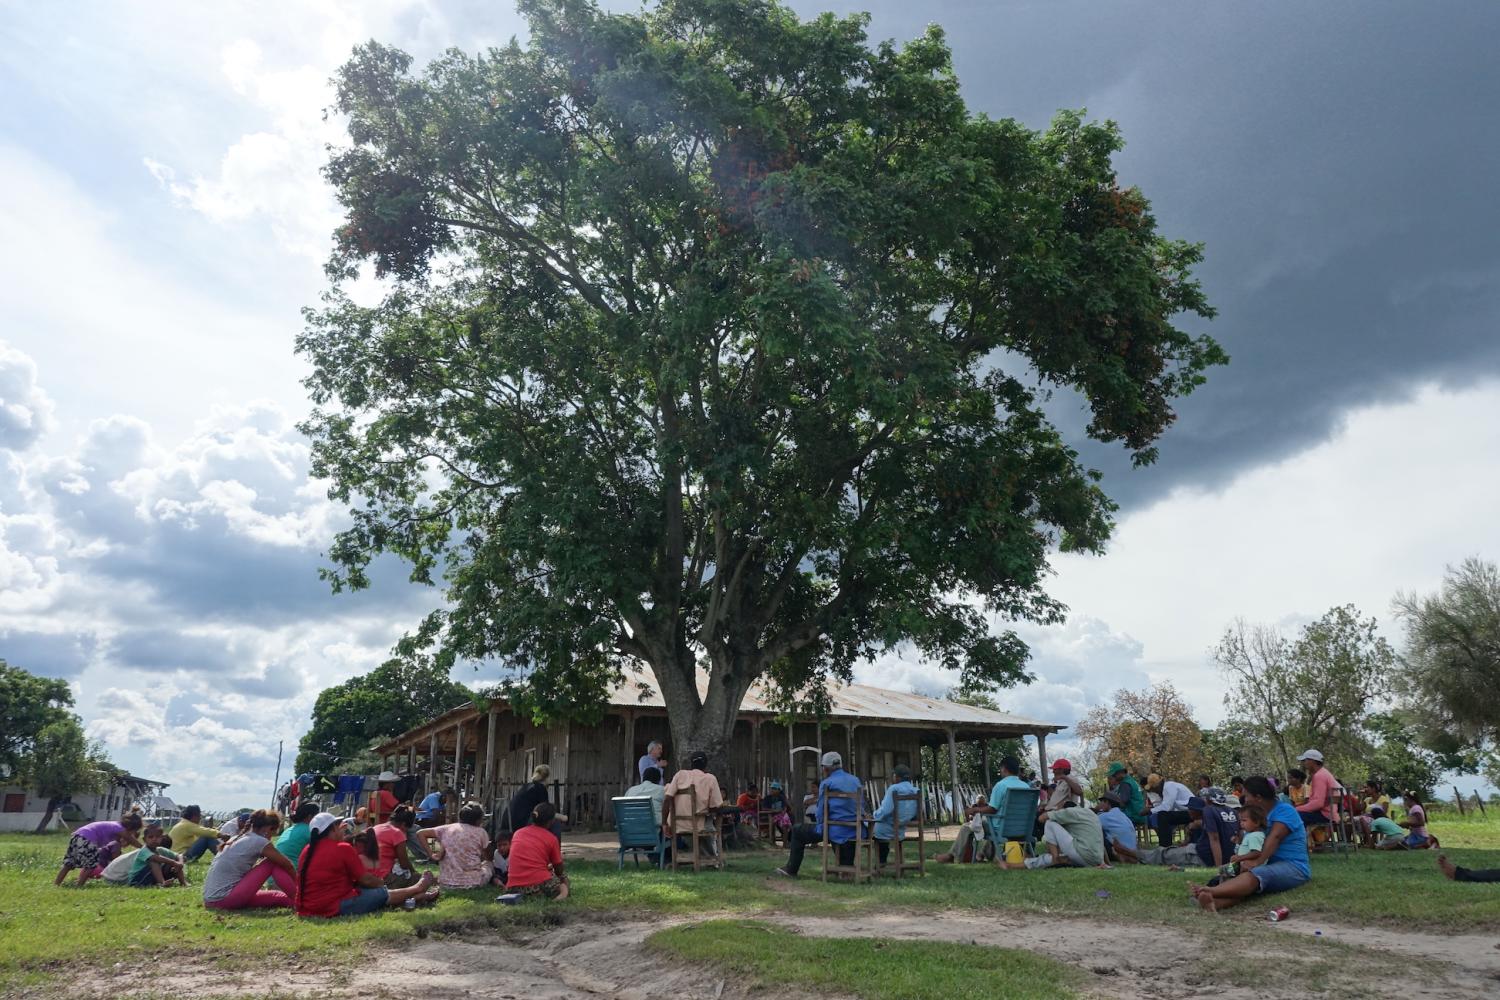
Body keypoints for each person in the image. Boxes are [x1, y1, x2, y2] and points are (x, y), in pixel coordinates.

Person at [1190, 776, 1309, 913]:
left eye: (1246, 796)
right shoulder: (1256, 816)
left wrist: (1257, 862)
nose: (1243, 799)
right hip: (1268, 864)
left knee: (1254, 874)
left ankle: (1211, 891)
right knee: (1245, 884)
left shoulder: (1285, 810)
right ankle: (1214, 903)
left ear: (1258, 797)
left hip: (1293, 866)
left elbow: (1275, 837)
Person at [296, 812, 438, 918]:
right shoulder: (342, 848)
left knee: (374, 893)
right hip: (333, 906)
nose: (342, 828)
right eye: (338, 826)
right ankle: (417, 888)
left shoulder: (306, 850)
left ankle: (414, 897)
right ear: (332, 829)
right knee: (379, 894)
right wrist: (381, 884)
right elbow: (366, 880)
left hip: (308, 907)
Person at [774, 751, 861, 878]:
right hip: (855, 829)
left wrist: (821, 823)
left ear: (825, 768)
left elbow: (820, 812)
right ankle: (846, 868)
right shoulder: (855, 780)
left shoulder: (826, 783)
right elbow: (862, 806)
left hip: (833, 829)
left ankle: (791, 869)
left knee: (798, 830)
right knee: (840, 830)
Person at [935, 755, 1029, 863]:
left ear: (1004, 768)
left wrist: (974, 810)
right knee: (986, 823)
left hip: (1002, 828)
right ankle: (982, 854)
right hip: (1022, 828)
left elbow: (992, 809)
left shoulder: (1001, 785)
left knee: (967, 827)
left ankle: (952, 855)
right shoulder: (1026, 786)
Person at [201, 809, 298, 910]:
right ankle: (300, 900)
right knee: (272, 862)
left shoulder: (237, 838)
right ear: (268, 829)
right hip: (226, 898)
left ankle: (300, 902)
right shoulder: (259, 841)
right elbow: (287, 865)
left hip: (213, 901)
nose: (270, 838)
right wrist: (297, 883)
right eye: (272, 834)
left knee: (279, 897)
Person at [415, 801, 493, 889]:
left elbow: (420, 833)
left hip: (446, 882)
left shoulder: (447, 828)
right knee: (488, 864)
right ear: (478, 820)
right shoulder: (481, 832)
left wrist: (432, 854)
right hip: (473, 882)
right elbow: (488, 856)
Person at [1005, 805, 1107, 870]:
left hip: (1083, 854)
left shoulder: (1069, 812)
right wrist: (1105, 862)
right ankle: (1012, 865)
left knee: (1049, 822)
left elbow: (1042, 818)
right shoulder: (1092, 815)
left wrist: (1055, 812)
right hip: (1095, 860)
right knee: (1050, 858)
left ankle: (1055, 859)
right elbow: (1099, 841)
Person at [55, 814, 143, 887]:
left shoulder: (114, 825)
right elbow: (130, 840)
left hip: (77, 835)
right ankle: (79, 885)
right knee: (91, 865)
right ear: (131, 828)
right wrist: (143, 848)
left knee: (69, 864)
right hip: (88, 839)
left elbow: (118, 841)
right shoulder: (119, 828)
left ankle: (57, 884)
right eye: (133, 831)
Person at [662, 750, 725, 849]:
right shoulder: (710, 778)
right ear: (705, 765)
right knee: (712, 818)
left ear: (691, 764)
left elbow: (667, 799)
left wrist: (664, 823)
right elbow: (716, 806)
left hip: (676, 824)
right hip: (698, 824)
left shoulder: (680, 775)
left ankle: (703, 855)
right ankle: (715, 855)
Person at [508, 802, 569, 899]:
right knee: (563, 878)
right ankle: (562, 895)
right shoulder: (551, 838)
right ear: (551, 821)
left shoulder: (518, 833)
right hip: (538, 886)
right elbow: (559, 870)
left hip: (513, 888)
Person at [870, 764, 920, 866]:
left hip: (889, 827)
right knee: (878, 828)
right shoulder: (915, 791)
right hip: (901, 829)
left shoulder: (894, 789)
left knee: (873, 828)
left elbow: (886, 810)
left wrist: (874, 815)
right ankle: (892, 863)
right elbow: (916, 812)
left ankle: (880, 863)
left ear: (897, 777)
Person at [372, 804, 420, 886]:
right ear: (404, 824)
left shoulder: (375, 828)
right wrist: (414, 872)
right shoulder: (397, 833)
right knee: (420, 880)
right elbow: (404, 864)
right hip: (383, 878)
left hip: (367, 876)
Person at [1294, 750, 1340, 834]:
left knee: (1295, 815)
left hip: (1325, 814)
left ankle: (1298, 844)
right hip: (1329, 812)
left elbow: (1318, 804)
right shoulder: (1323, 773)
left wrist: (1296, 809)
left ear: (1312, 761)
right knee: (1297, 813)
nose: (1303, 763)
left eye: (1305, 760)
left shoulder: (1319, 776)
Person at [509, 765, 562, 839]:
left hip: (511, 822)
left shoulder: (526, 786)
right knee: (555, 823)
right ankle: (552, 847)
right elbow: (546, 812)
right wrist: (562, 817)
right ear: (547, 777)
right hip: (523, 824)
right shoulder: (541, 788)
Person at [1148, 774, 1195, 846]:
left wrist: (1150, 811)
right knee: (1161, 816)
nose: (1156, 792)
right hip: (1186, 811)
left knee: (1162, 816)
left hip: (1192, 812)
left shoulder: (1168, 787)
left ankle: (1165, 845)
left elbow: (1167, 807)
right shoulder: (1167, 788)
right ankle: (1166, 841)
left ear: (1159, 785)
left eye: (1155, 789)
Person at [275, 803, 319, 872]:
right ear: (310, 817)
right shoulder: (309, 830)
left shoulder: (290, 829)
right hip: (291, 874)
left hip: (274, 875)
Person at [1095, 791, 1137, 861]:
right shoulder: (1124, 816)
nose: (1100, 804)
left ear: (1107, 802)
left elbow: (1091, 823)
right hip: (1132, 850)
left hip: (1120, 850)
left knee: (1097, 830)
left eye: (1102, 802)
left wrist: (1096, 809)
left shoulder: (1105, 816)